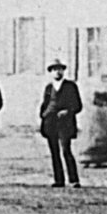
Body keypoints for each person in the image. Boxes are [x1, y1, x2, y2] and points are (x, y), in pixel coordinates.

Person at [39, 59, 82, 187]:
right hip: (50, 122)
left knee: (66, 150)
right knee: (54, 152)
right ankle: (59, 180)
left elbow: (78, 105)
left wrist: (67, 111)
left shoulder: (70, 86)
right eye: (54, 69)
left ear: (63, 71)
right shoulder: (48, 88)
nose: (57, 72)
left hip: (65, 123)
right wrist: (43, 115)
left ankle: (74, 180)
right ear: (51, 72)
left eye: (60, 69)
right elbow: (45, 104)